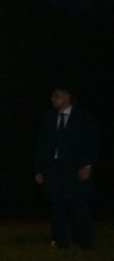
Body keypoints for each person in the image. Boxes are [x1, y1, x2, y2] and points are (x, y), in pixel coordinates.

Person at [34, 86, 99, 249]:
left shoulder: (82, 118)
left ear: (67, 96)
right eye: (52, 96)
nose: (53, 99)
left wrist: (87, 165)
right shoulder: (49, 118)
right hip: (54, 168)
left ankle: (84, 241)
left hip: (75, 167)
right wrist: (40, 169)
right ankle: (61, 241)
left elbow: (91, 143)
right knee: (57, 205)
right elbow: (42, 145)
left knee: (79, 204)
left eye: (56, 96)